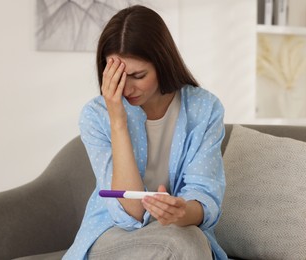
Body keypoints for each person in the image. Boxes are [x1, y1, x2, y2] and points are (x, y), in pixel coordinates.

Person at [64, 5, 227, 260]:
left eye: (138, 75)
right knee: (178, 243)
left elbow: (204, 196)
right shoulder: (97, 115)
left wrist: (181, 212)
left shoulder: (204, 109)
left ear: (163, 63)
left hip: (180, 232)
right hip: (111, 232)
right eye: (117, 76)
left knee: (186, 237)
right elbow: (131, 214)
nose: (126, 88)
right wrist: (117, 119)